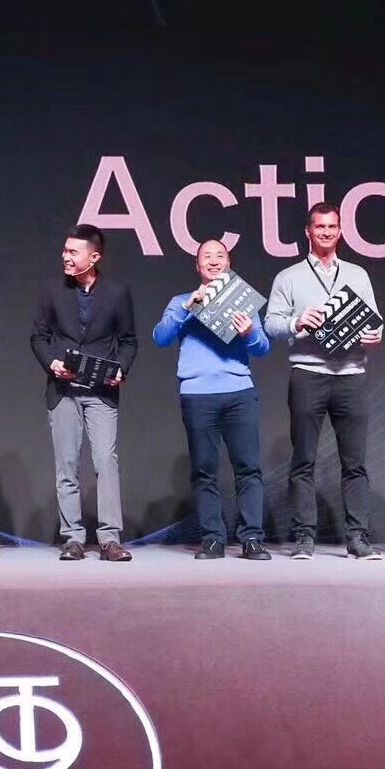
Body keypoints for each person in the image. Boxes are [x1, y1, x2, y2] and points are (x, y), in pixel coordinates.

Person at [263, 203, 385, 560]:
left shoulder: (357, 274)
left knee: (355, 462)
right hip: (308, 373)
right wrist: (298, 321)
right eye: (320, 227)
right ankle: (304, 536)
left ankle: (358, 537)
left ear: (341, 231)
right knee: (303, 460)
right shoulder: (288, 277)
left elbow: (374, 322)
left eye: (332, 226)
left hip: (351, 375)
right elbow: (271, 324)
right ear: (308, 231)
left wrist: (374, 334)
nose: (326, 232)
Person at [153, 238, 272, 559]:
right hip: (197, 395)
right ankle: (212, 539)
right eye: (207, 256)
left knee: (248, 468)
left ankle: (252, 539)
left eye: (220, 256)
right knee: (204, 470)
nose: (214, 261)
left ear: (229, 263)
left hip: (239, 392)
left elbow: (263, 348)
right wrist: (187, 308)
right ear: (197, 265)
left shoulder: (241, 299)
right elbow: (160, 338)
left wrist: (249, 333)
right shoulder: (181, 301)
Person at [31, 224, 137, 561]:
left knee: (106, 461)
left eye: (73, 252)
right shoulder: (52, 291)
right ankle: (73, 538)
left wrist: (120, 368)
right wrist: (52, 363)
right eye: (65, 251)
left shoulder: (117, 292)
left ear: (94, 257)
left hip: (101, 390)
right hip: (63, 389)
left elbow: (128, 341)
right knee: (67, 465)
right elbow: (39, 337)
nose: (66, 256)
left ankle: (110, 539)